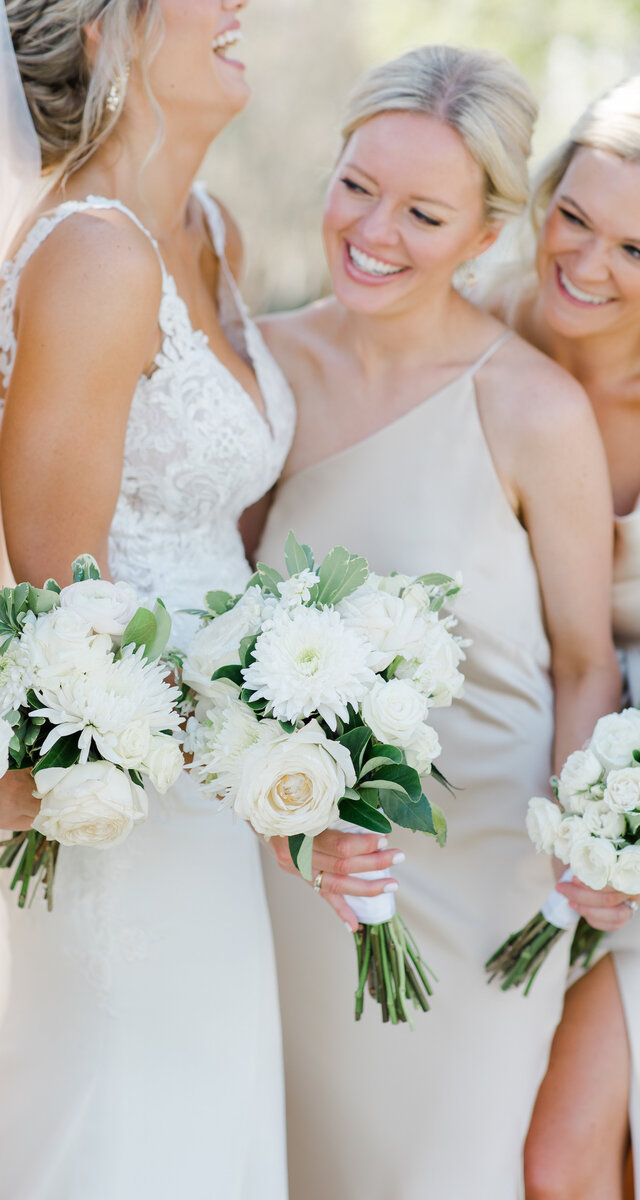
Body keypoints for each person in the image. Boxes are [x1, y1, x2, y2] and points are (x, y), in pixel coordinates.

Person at [257, 44, 622, 1200]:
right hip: (305, 871)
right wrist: (289, 818)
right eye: (356, 186)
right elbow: (229, 631)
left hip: (486, 883)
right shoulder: (266, 371)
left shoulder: (531, 407)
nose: (374, 230)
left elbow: (580, 667)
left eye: (424, 211)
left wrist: (578, 854)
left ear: (480, 237)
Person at [0, 2, 303, 1196]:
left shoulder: (207, 232)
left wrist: (312, 709)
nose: (239, 9)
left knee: (209, 1115)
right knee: (126, 1119)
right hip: (126, 796)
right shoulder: (95, 257)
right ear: (104, 32)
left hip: (221, 783)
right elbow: (67, 614)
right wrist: (231, 734)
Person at [489, 77, 640, 1200]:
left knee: (561, 1156)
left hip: (618, 816)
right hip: (485, 791)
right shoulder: (472, 331)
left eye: (633, 248)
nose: (585, 264)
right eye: (573, 218)